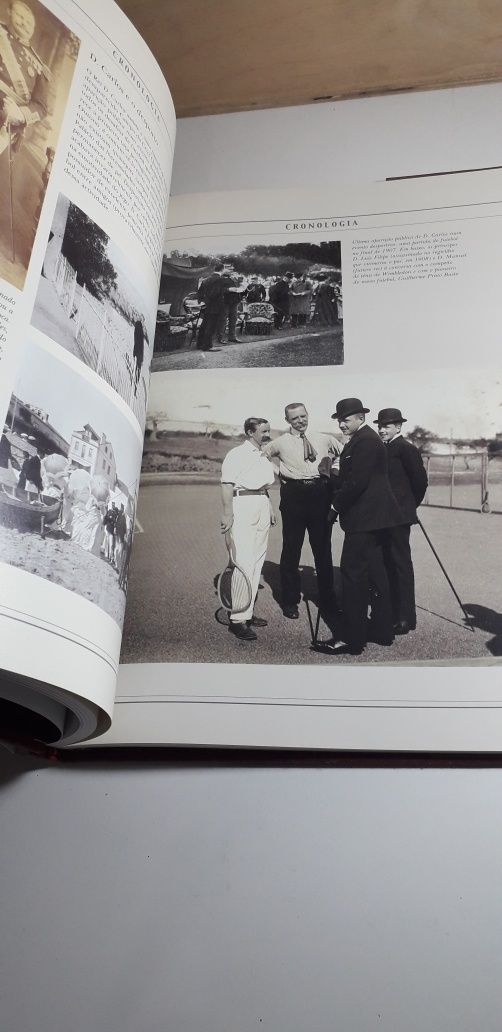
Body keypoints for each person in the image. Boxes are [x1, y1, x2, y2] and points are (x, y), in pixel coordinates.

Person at [329, 398, 404, 655]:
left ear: (360, 417)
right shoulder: (366, 439)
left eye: (346, 419)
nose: (341, 424)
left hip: (364, 519)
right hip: (375, 518)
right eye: (339, 419)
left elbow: (356, 483)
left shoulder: (365, 442)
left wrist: (334, 507)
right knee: (376, 573)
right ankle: (383, 631)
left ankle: (351, 638)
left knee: (352, 576)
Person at [263, 402, 342, 620]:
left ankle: (327, 599)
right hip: (294, 496)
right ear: (287, 420)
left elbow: (345, 453)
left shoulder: (324, 438)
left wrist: (335, 469)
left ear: (308, 415)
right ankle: (290, 602)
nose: (301, 421)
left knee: (322, 549)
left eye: (303, 416)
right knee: (291, 550)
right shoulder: (280, 442)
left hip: (320, 494)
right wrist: (280, 472)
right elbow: (261, 456)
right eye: (295, 418)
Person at [220, 417, 277, 641]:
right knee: (243, 562)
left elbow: (264, 486)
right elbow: (226, 484)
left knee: (257, 562)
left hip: (261, 504)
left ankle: (247, 613)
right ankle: (237, 620)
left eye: (268, 431)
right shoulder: (236, 454)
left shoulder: (263, 455)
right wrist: (227, 514)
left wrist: (269, 506)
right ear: (249, 432)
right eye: (263, 431)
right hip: (242, 505)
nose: (267, 435)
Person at [375, 407, 428, 635]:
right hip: (381, 517)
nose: (382, 430)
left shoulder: (406, 449)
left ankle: (406, 617)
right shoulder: (381, 449)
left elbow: (420, 482)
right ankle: (390, 611)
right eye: (380, 426)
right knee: (385, 563)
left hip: (399, 517)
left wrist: (408, 506)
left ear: (398, 427)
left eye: (386, 426)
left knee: (400, 564)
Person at [0, 2, 51, 158]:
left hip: (4, 121)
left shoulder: (40, 67)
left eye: (29, 22)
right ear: (9, 12)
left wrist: (21, 114)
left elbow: (41, 107)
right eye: (20, 16)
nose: (24, 23)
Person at [196, 262, 226, 350]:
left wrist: (203, 302)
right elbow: (215, 293)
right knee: (211, 326)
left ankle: (200, 344)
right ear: (222, 269)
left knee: (204, 325)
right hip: (215, 306)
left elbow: (199, 293)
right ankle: (207, 346)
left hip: (206, 306)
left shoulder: (206, 279)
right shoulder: (220, 279)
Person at [132, 319, 145, 393]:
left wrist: (134, 353)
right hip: (140, 354)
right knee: (138, 369)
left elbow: (136, 343)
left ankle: (135, 385)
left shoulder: (137, 331)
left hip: (138, 352)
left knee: (136, 368)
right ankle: (136, 384)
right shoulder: (141, 332)